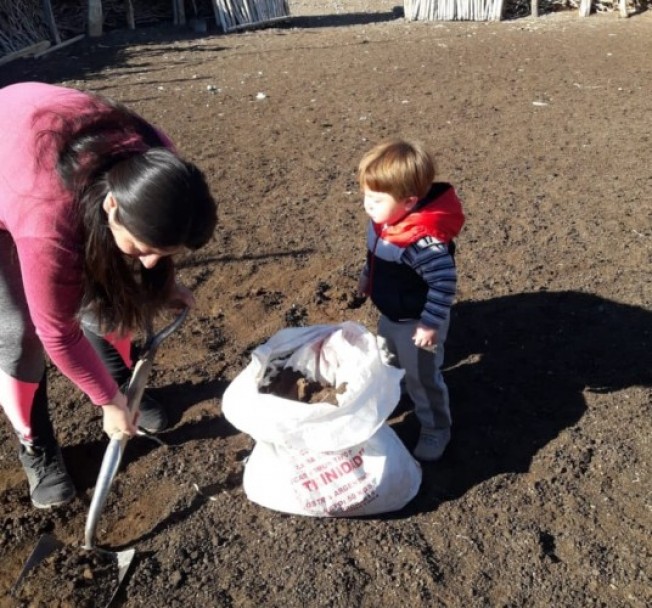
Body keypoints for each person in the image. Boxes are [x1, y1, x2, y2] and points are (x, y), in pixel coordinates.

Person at [0, 82, 218, 508]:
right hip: (17, 177)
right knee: (19, 330)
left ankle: (122, 381)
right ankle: (37, 447)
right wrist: (106, 404)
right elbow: (57, 333)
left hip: (48, 149)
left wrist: (164, 284)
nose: (152, 262)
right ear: (113, 206)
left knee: (108, 287)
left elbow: (146, 250)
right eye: (145, 248)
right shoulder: (48, 217)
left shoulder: (157, 161)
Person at [357, 139, 465, 462]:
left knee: (424, 375)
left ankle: (436, 427)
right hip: (392, 314)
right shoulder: (383, 224)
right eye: (365, 195)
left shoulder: (421, 242)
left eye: (376, 199)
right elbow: (374, 255)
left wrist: (431, 323)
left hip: (418, 323)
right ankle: (397, 392)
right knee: (388, 360)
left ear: (409, 202)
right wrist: (366, 276)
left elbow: (444, 283)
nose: (368, 204)